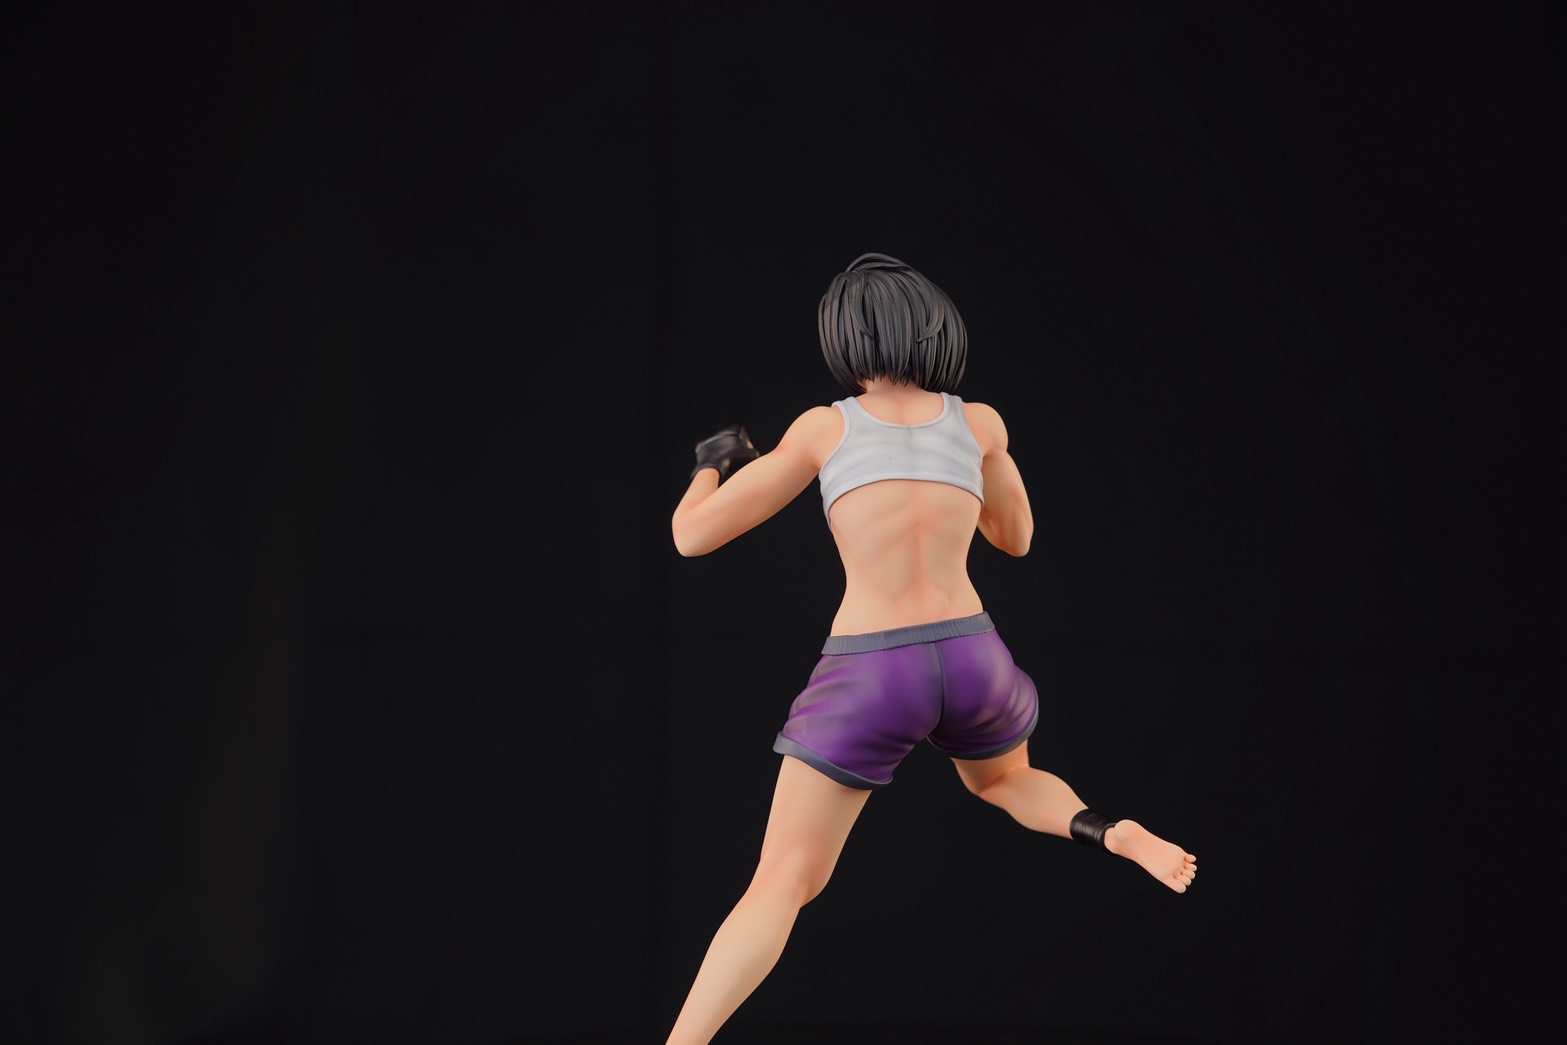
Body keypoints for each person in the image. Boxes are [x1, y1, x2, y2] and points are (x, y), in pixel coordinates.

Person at [665, 252, 1197, 1045]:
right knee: (1004, 779)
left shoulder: (824, 428)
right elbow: (1015, 537)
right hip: (974, 654)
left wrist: (711, 467)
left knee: (783, 880)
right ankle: (1105, 827)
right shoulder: (979, 423)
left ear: (844, 340)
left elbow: (692, 536)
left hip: (873, 666)